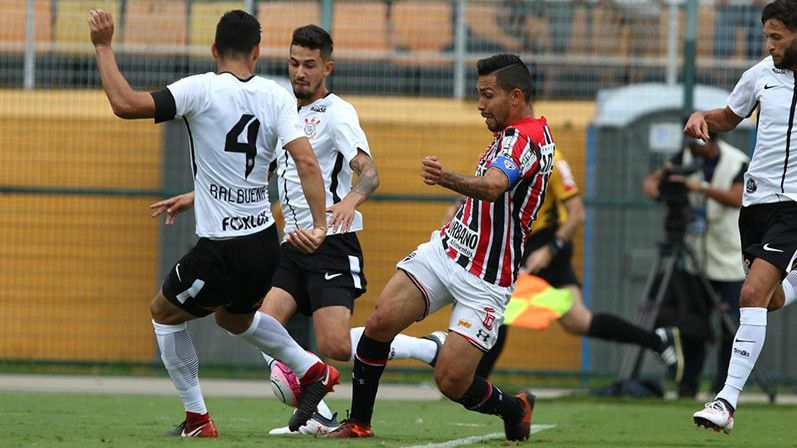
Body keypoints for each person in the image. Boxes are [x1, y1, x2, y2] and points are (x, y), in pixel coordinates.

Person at [153, 24, 445, 435]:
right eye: (293, 63)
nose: (300, 72)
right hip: (291, 244)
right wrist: (194, 195)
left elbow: (369, 171)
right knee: (265, 329)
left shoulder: (338, 113)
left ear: (327, 66)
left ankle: (425, 347)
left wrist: (349, 200)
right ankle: (319, 414)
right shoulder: (282, 109)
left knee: (336, 346)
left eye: (310, 64)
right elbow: (261, 171)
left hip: (331, 243)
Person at [88, 9, 340, 438]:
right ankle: (314, 369)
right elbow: (306, 163)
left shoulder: (199, 89)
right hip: (264, 243)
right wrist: (320, 225)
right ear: (257, 52)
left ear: (214, 50)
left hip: (224, 247)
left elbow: (125, 104)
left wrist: (103, 45)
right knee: (233, 320)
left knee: (163, 313)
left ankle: (197, 419)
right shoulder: (277, 95)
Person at [328, 54, 551, 441]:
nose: (480, 104)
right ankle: (358, 423)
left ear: (516, 96)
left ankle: (515, 408)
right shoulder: (519, 133)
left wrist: (444, 177)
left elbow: (495, 186)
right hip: (447, 251)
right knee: (380, 321)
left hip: (487, 278)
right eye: (477, 94)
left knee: (450, 380)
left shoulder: (524, 138)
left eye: (487, 95)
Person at [474, 148, 685, 383]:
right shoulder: (503, 150)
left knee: (499, 309)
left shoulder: (552, 159)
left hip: (546, 246)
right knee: (578, 321)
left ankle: (473, 382)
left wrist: (549, 250)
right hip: (524, 246)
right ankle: (656, 340)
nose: (483, 109)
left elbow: (577, 214)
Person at [685, 0, 797, 433]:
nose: (769, 45)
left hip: (792, 208)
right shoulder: (759, 76)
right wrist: (702, 117)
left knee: (750, 295)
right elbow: (729, 118)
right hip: (754, 208)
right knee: (768, 298)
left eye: (777, 37)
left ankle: (725, 402)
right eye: (766, 36)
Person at [642, 133, 748, 398]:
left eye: (698, 143)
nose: (693, 149)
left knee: (729, 328)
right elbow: (652, 185)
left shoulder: (736, 161)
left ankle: (724, 389)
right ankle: (688, 385)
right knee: (693, 326)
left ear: (713, 140)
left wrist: (698, 187)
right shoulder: (684, 158)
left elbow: (737, 198)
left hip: (728, 259)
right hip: (695, 259)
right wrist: (661, 181)